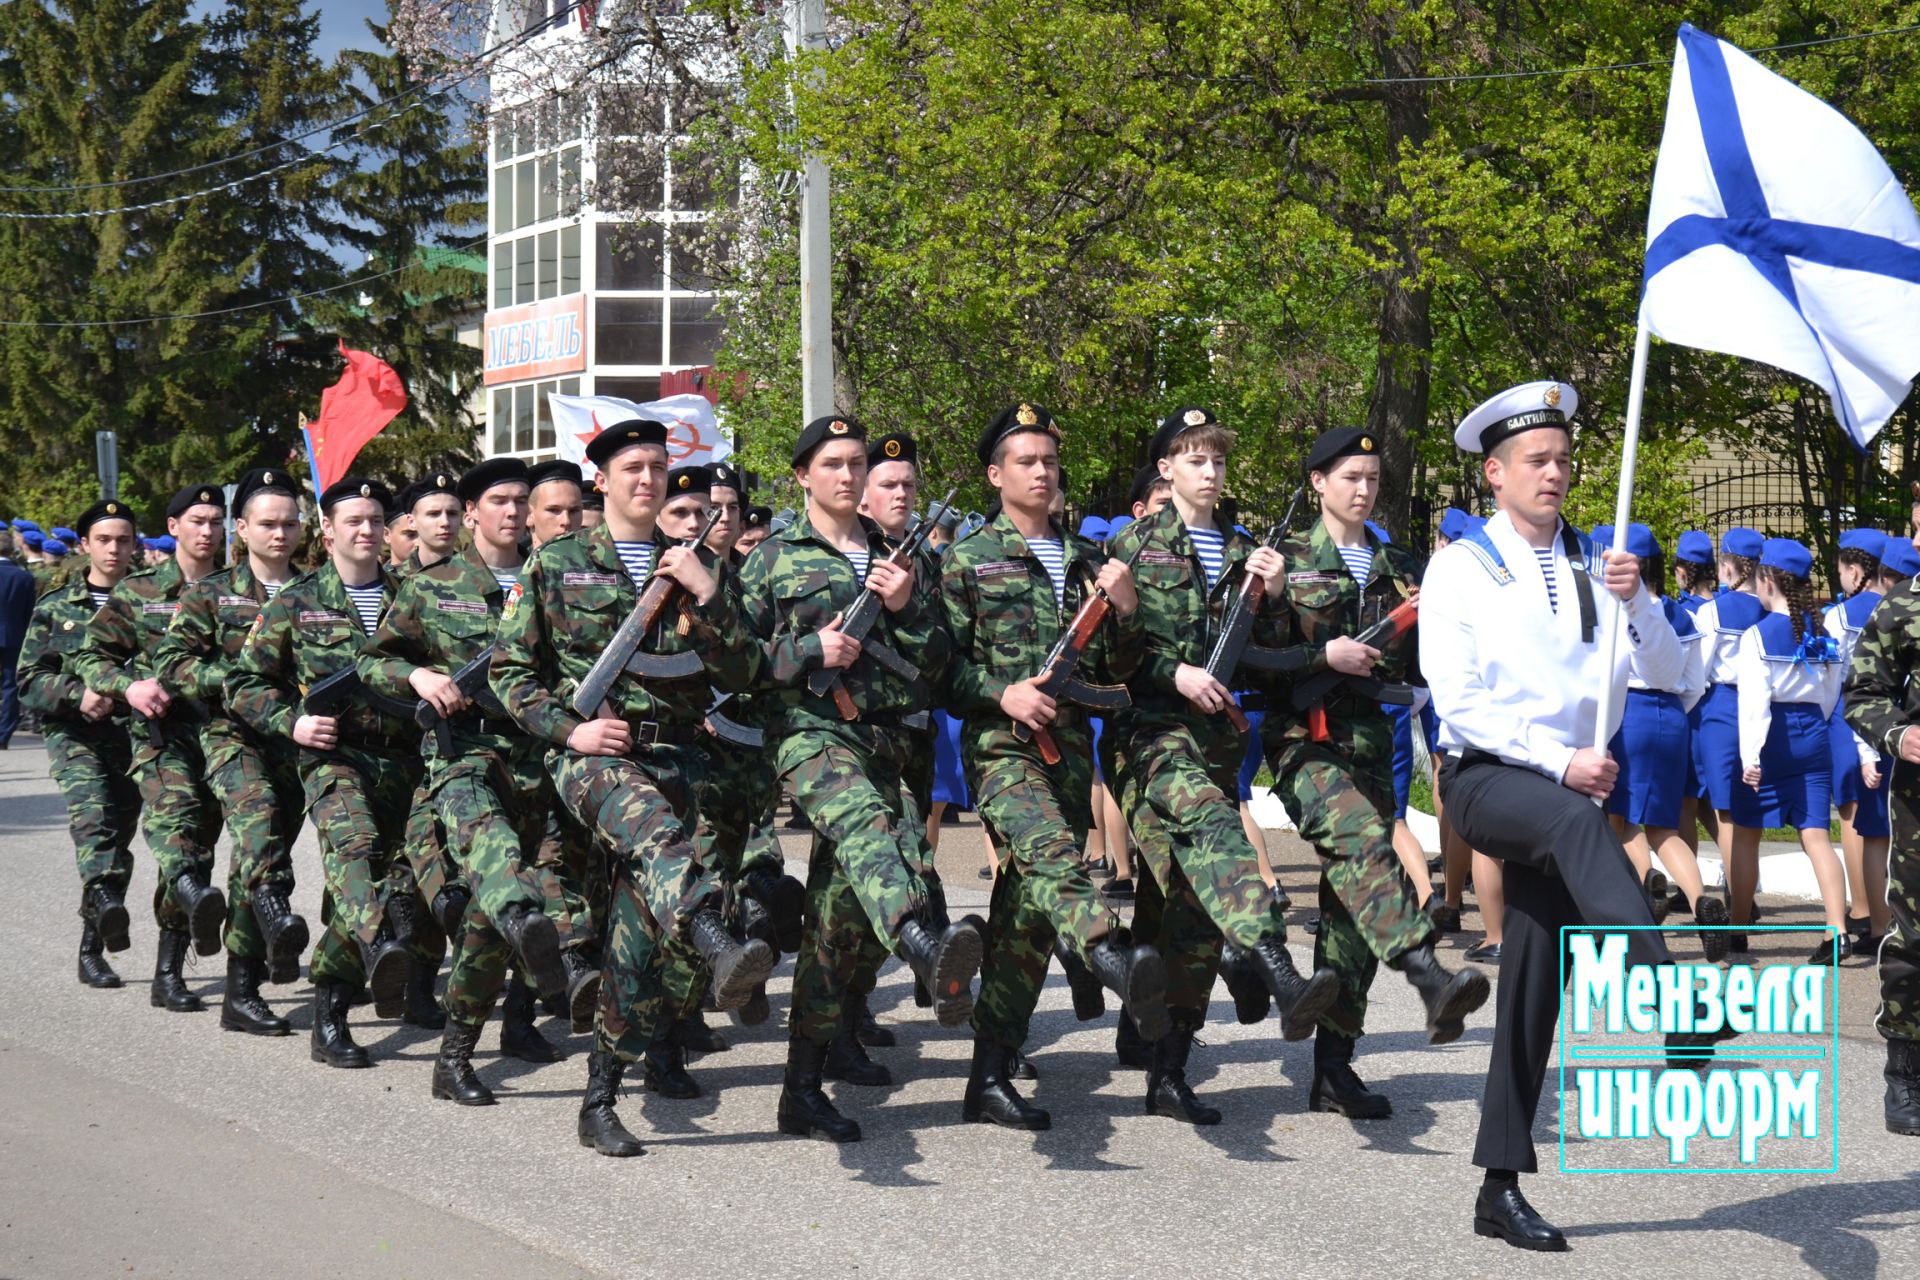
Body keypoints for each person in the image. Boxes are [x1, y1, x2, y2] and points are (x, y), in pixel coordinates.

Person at [1421, 380, 1733, 1251]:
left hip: (1569, 793)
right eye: (1536, 460)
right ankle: (1673, 996)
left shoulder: (1597, 567)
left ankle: (1498, 1187)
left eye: (1563, 460)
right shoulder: (1460, 568)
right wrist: (1559, 760)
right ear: (1495, 472)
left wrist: (1637, 602)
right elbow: (1460, 701)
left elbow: (1675, 675)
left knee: (1533, 984)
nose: (1554, 474)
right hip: (1492, 781)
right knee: (1570, 825)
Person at [490, 419, 772, 1157]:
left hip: (680, 761)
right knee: (652, 832)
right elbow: (508, 672)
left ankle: (600, 1097)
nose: (647, 479)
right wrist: (569, 730)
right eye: (632, 468)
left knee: (639, 942)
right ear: (602, 482)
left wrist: (709, 595)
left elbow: (745, 676)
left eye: (656, 466)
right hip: (593, 760)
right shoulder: (558, 562)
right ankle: (715, 932)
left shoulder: (699, 567)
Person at [737, 413, 981, 1145]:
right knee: (873, 830)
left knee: (837, 923)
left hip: (885, 743)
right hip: (812, 738)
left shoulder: (901, 555)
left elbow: (939, 657)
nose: (847, 475)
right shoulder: (772, 559)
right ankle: (921, 942)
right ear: (803, 476)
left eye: (855, 464)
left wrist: (905, 607)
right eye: (832, 464)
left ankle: (801, 1089)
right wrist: (809, 649)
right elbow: (734, 661)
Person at [1101, 406, 1338, 1124]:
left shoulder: (1243, 550)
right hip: (1149, 739)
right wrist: (1170, 670)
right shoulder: (1131, 545)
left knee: (1180, 894)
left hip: (1217, 742)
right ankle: (1269, 962)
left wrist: (1270, 599)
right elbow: (1109, 658)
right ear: (1165, 468)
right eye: (1194, 459)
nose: (1210, 472)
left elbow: (1266, 656)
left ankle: (1155, 1046)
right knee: (1210, 860)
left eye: (1218, 461)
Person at [940, 402, 1170, 1131]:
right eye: (1026, 461)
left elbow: (1121, 672)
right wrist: (998, 691)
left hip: (1071, 750)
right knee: (1044, 853)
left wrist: (1127, 613)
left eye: (1049, 461)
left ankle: (987, 1075)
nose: (1042, 472)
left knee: (1024, 918)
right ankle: (1109, 952)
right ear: (995, 474)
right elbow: (939, 669)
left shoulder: (1087, 559)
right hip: (1002, 747)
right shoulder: (967, 556)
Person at [1256, 426, 1488, 1120]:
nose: (1363, 489)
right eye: (1350, 477)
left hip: (1371, 740)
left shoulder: (1403, 566)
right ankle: (1424, 971)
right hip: (1306, 740)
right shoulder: (1284, 560)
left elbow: (1426, 661)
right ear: (1318, 483)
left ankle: (1334, 1068)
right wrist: (1315, 651)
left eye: (1372, 479)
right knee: (1364, 850)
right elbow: (1250, 657)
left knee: (1351, 906)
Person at [362, 456, 601, 1104]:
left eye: (523, 499)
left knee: (514, 910)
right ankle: (464, 1046)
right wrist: (417, 677)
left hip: (544, 757)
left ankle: (505, 1032)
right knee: (503, 881)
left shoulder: (554, 578)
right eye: (498, 499)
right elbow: (372, 663)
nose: (514, 510)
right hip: (465, 758)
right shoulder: (432, 585)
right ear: (471, 513)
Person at [229, 478, 422, 1067]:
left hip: (405, 758)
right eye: (352, 521)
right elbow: (245, 684)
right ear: (328, 530)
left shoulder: (415, 597)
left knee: (373, 878)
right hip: (333, 756)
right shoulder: (296, 601)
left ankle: (336, 998)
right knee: (353, 848)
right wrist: (292, 723)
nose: (365, 530)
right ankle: (349, 992)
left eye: (374, 521)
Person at [152, 470, 312, 1034]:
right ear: (241, 529)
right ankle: (265, 917)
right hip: (229, 736)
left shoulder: (316, 592)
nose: (280, 534)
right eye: (267, 524)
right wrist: (238, 680)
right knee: (257, 820)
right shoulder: (210, 593)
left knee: (254, 857)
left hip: (295, 742)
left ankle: (242, 991)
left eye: (290, 523)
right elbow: (172, 663)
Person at [73, 484, 231, 1011]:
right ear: (173, 527)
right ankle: (169, 962)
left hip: (224, 737)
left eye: (215, 521)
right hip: (160, 735)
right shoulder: (140, 592)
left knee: (197, 856)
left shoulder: (240, 590)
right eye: (197, 521)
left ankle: (169, 970)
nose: (207, 531)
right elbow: (92, 658)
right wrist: (129, 687)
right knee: (177, 828)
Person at [17, 499, 143, 987]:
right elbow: (29, 678)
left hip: (133, 738)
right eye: (104, 540)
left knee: (120, 839)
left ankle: (93, 943)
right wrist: (77, 695)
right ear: (85, 545)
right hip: (76, 737)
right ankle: (101, 921)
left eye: (124, 539)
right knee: (95, 822)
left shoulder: (152, 606)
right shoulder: (56, 608)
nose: (114, 549)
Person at [1599, 524, 1724, 959]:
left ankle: (1645, 884)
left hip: (1626, 715)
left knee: (1622, 818)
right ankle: (1701, 900)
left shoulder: (1613, 610)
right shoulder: (1681, 614)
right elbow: (1693, 684)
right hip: (1673, 718)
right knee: (1664, 826)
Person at [1730, 538, 1850, 962]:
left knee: (1746, 833)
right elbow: (1832, 694)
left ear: (1766, 579)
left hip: (1772, 736)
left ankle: (1739, 925)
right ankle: (1836, 931)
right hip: (1813, 733)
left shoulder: (1756, 636)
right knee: (1816, 835)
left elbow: (1753, 704)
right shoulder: (1824, 633)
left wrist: (1750, 757)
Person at [1840, 534, 1920, 1135]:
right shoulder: (1901, 607)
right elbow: (1862, 693)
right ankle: (1905, 1070)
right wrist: (1898, 735)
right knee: (1915, 933)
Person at [1691, 527, 1765, 909]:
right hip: (1762, 707)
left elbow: (1698, 670)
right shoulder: (1770, 609)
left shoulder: (1713, 610)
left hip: (1721, 705)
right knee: (1747, 810)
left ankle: (1739, 898)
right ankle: (1743, 895)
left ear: (1733, 566)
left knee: (1725, 811)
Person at [1826, 530, 1892, 954]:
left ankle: (1862, 909)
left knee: (1851, 813)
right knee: (1881, 817)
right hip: (1887, 719)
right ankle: (1881, 914)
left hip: (1843, 715)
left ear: (1854, 570)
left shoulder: (1840, 616)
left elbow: (1831, 679)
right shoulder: (1895, 609)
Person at [0, 540, 33, 749]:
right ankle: (3, 735)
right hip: (14, 636)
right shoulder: (24, 577)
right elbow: (30, 613)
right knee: (11, 685)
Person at [526, 460, 586, 549]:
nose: (566, 521)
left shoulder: (605, 561)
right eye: (553, 510)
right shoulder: (513, 562)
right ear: (528, 514)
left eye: (574, 511)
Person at [704, 459, 746, 557]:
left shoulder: (757, 569)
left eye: (732, 507)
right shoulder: (679, 569)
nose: (725, 518)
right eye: (714, 507)